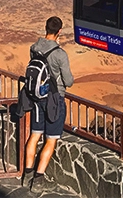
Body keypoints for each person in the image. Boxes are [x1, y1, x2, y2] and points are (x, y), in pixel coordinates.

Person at [24, 16, 74, 193]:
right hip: (54, 99)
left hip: (37, 98)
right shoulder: (60, 54)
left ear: (46, 28)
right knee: (51, 140)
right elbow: (68, 81)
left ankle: (27, 176)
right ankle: (38, 181)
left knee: (35, 135)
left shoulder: (34, 47)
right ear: (59, 31)